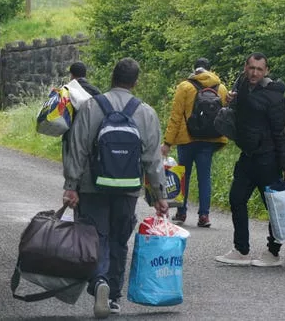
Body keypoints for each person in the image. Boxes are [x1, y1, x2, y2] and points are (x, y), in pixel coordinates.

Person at [62, 58, 169, 319]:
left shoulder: (90, 107)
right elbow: (152, 159)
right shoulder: (146, 112)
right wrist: (159, 196)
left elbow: (78, 148)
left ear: (112, 77)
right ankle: (112, 297)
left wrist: (71, 185)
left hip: (92, 185)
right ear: (135, 81)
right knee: (120, 239)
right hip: (128, 188)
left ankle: (99, 281)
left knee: (96, 237)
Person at [215, 52, 285, 267]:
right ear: (245, 68)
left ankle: (273, 252)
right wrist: (231, 99)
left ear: (266, 71)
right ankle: (241, 250)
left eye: (259, 69)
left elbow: (281, 133)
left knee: (273, 208)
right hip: (248, 156)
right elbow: (236, 112)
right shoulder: (241, 85)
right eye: (251, 68)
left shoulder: (275, 96)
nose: (255, 73)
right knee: (236, 198)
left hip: (268, 159)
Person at [161, 57, 228, 228]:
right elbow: (225, 115)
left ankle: (181, 212)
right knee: (204, 176)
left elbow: (175, 117)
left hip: (186, 139)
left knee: (183, 175)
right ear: (210, 69)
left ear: (194, 69)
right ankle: (204, 215)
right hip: (209, 139)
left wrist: (168, 142)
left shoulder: (185, 87)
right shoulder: (221, 88)